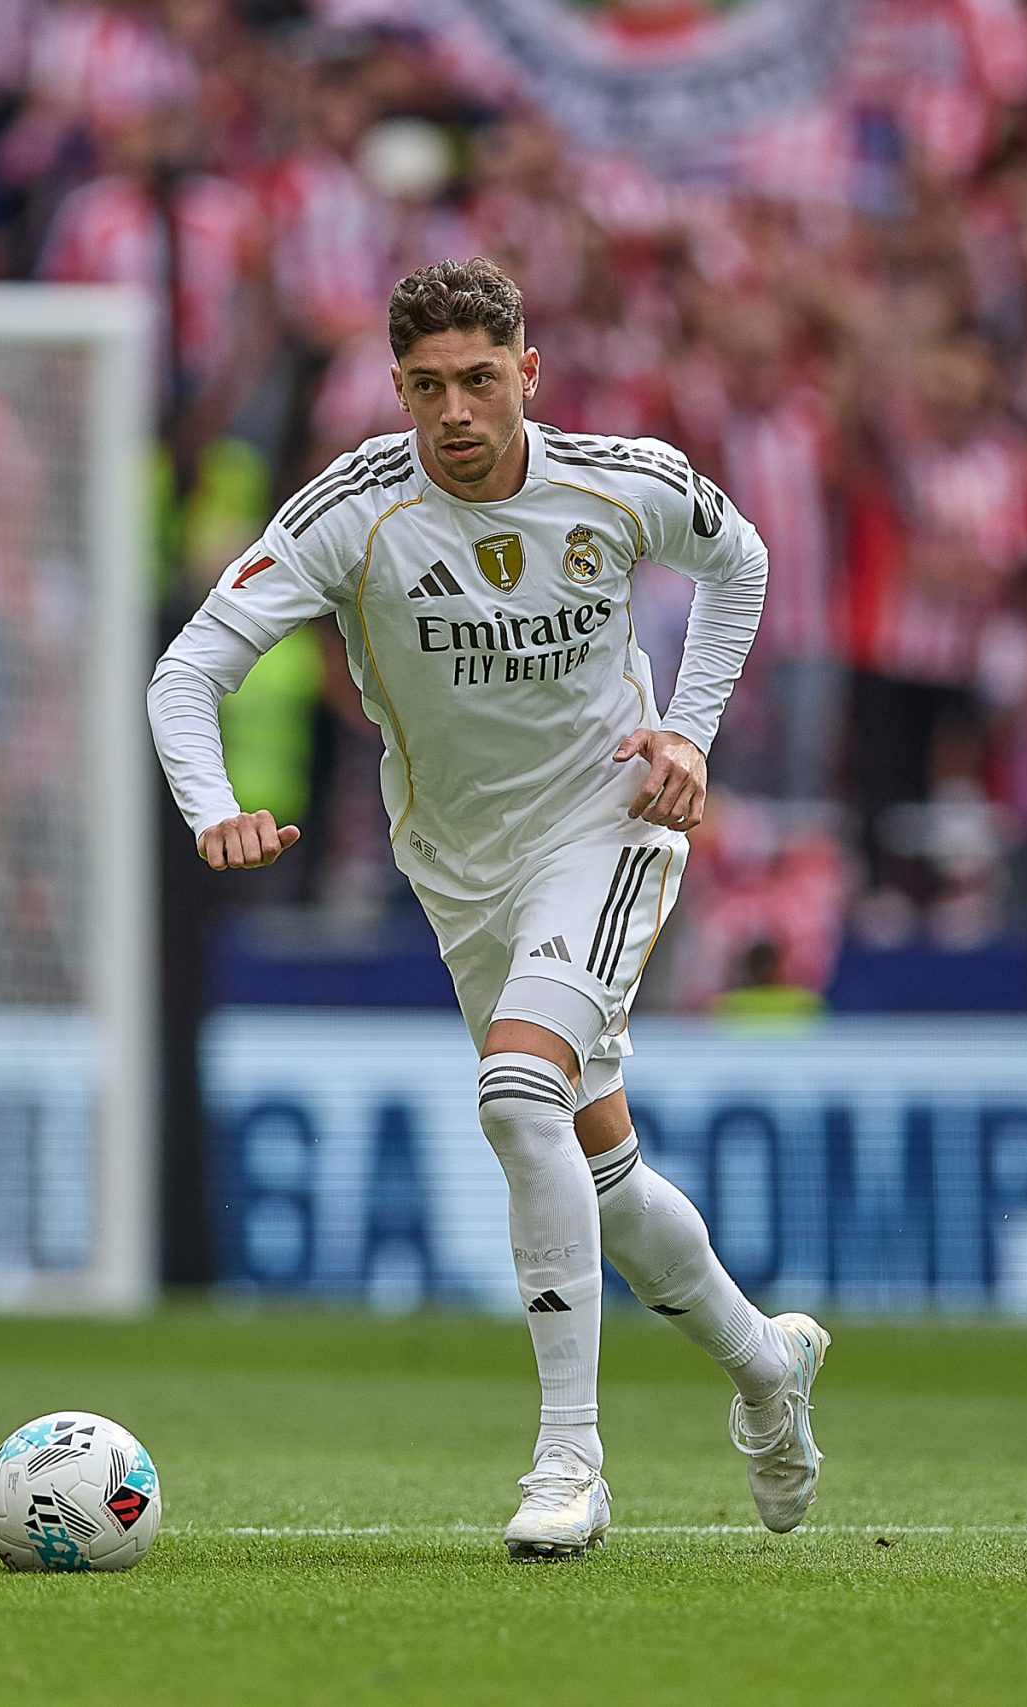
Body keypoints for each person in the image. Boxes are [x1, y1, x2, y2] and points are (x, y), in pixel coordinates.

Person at [146, 259, 826, 1560]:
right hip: (460, 870)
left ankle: (569, 1464)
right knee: (602, 1174)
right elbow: (186, 674)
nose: (453, 411)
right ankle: (764, 1367)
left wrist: (687, 732)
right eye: (424, 387)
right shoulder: (352, 513)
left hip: (610, 820)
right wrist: (209, 806)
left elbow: (739, 560)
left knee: (518, 1096)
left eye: (475, 379)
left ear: (527, 373)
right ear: (395, 389)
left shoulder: (620, 481)